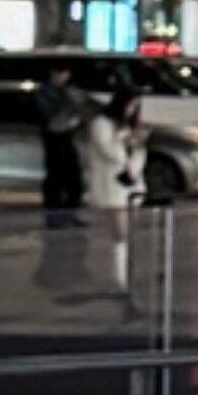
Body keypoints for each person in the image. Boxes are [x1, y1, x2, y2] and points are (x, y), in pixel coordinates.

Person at [81, 88, 141, 300]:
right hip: (109, 184)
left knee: (124, 232)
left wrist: (135, 147)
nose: (132, 110)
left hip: (127, 185)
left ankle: (122, 274)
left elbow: (136, 155)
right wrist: (125, 142)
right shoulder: (101, 124)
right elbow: (109, 152)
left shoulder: (126, 127)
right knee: (119, 230)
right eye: (130, 106)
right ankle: (118, 277)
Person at [32, 62, 87, 214]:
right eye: (62, 74)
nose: (64, 78)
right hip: (53, 136)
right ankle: (53, 209)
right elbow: (50, 117)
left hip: (68, 136)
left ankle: (72, 208)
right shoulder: (45, 92)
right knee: (55, 174)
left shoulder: (67, 90)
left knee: (73, 175)